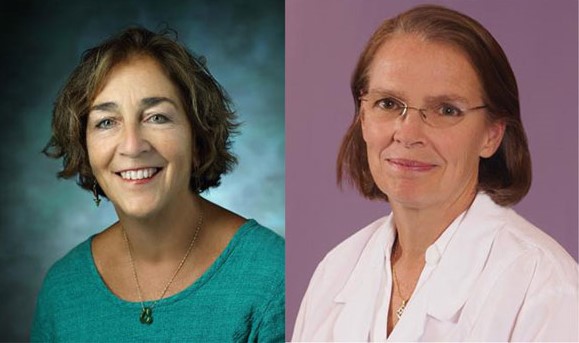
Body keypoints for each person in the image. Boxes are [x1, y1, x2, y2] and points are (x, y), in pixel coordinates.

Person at [292, 4, 578, 342]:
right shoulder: (335, 273)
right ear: (363, 117)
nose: (409, 133)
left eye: (446, 110)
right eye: (388, 103)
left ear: (492, 134)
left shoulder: (543, 289)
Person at [31, 27, 284, 342]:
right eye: (106, 122)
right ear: (85, 147)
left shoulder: (274, 275)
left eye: (157, 117)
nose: (133, 146)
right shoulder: (63, 288)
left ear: (198, 137)